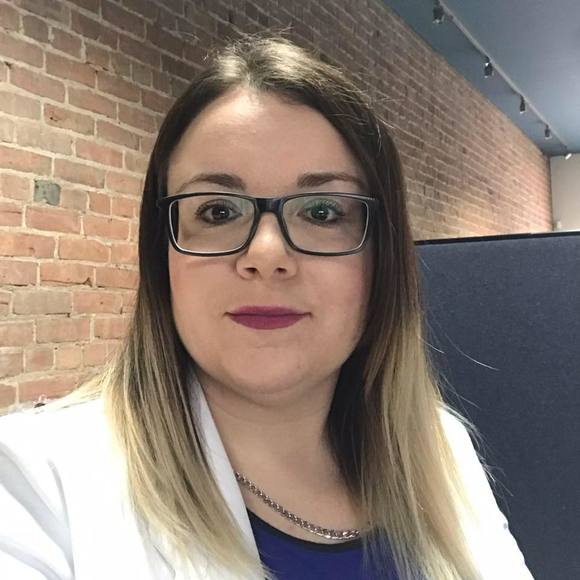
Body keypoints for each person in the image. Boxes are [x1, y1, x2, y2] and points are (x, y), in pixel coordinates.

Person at [0, 37, 533, 580]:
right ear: (162, 257)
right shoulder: (31, 485)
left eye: (322, 212)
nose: (266, 255)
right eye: (217, 211)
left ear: (382, 259)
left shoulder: (441, 450)